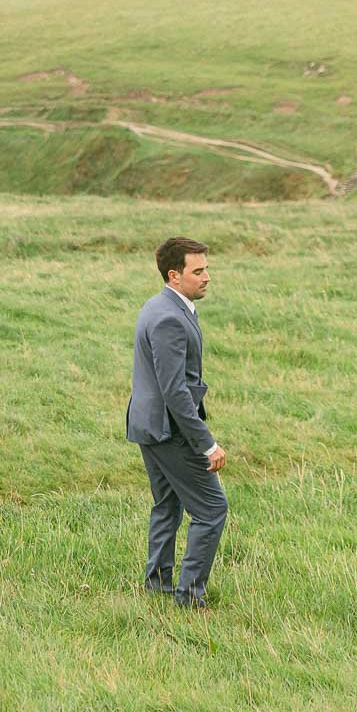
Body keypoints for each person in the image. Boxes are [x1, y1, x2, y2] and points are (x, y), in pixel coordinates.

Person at [125, 236, 227, 609]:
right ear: (174, 275)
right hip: (168, 429)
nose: (207, 277)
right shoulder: (169, 317)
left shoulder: (157, 306)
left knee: (167, 505)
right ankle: (189, 595)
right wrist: (206, 443)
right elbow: (175, 391)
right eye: (197, 271)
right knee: (212, 509)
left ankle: (158, 584)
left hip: (147, 424)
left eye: (206, 268)